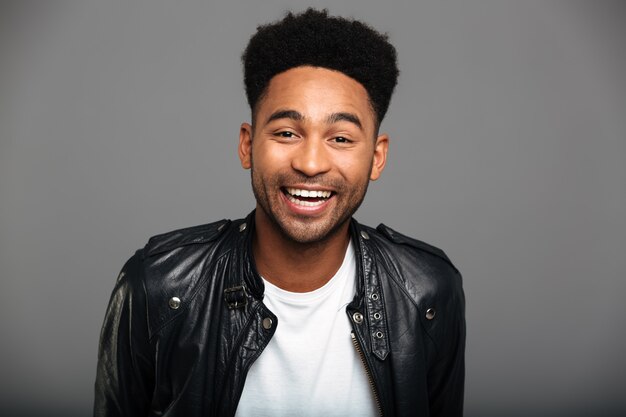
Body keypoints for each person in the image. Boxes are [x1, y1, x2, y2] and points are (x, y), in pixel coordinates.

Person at [94, 8, 465, 417]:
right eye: (287, 133)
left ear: (376, 158)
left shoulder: (427, 291)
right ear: (247, 145)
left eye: (340, 137)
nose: (310, 163)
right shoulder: (159, 287)